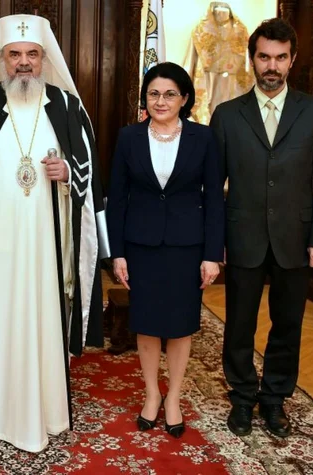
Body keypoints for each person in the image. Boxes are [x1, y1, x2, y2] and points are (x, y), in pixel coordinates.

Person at [0, 14, 109, 452]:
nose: (24, 63)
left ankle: (46, 411)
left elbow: (91, 186)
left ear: (44, 58)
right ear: (1, 59)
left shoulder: (68, 109)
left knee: (42, 324)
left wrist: (68, 174)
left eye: (32, 54)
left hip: (46, 252)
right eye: (14, 54)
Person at [210, 18, 313, 438]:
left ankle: (274, 400)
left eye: (280, 58)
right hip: (241, 235)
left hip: (296, 240)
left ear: (292, 60)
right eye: (264, 57)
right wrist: (216, 242)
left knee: (288, 325)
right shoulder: (227, 115)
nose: (272, 66)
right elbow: (213, 187)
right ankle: (243, 398)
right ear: (252, 59)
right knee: (240, 324)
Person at [107, 62, 224, 438]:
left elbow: (215, 202)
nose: (161, 100)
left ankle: (173, 397)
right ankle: (152, 395)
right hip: (141, 246)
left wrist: (212, 254)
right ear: (145, 98)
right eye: (154, 93)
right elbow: (117, 200)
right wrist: (118, 253)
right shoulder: (128, 137)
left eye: (170, 93)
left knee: (180, 326)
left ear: (184, 98)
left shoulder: (203, 139)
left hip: (186, 247)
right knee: (146, 325)